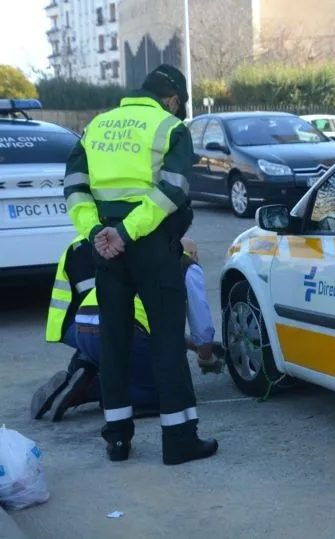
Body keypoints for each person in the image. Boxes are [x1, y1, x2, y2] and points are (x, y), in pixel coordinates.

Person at [61, 63, 218, 465]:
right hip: (150, 245)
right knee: (167, 341)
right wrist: (127, 233)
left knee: (114, 343)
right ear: (173, 99)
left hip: (106, 248)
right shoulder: (170, 127)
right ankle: (179, 440)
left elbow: (74, 187)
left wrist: (97, 231)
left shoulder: (96, 127)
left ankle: (117, 439)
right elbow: (173, 192)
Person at [31, 237, 222, 422]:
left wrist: (193, 346)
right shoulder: (188, 266)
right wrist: (206, 357)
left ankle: (85, 371)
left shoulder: (139, 255)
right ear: (194, 254)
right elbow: (202, 328)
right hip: (124, 330)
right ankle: (92, 388)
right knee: (170, 395)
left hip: (83, 325)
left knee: (124, 356)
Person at [32, 236, 96, 420]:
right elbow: (95, 303)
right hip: (77, 325)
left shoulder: (88, 243)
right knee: (109, 341)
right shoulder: (84, 248)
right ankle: (84, 379)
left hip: (81, 323)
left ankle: (77, 375)